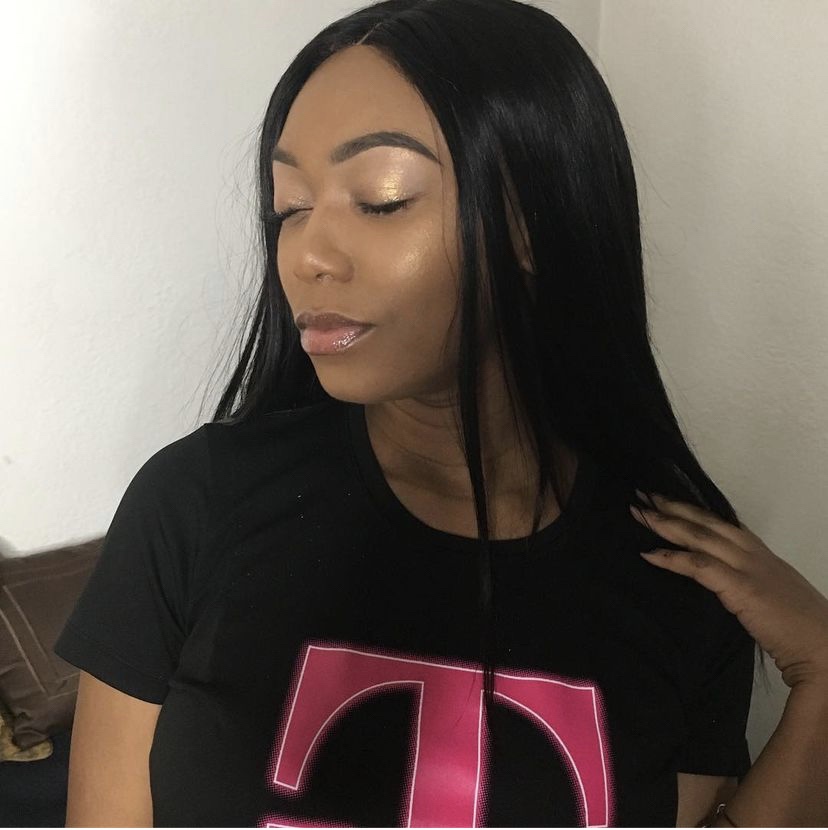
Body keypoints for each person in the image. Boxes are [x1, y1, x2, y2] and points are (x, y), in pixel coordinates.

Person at [54, 0, 765, 826]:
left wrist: (818, 671)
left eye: (380, 198)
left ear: (534, 221)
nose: (308, 255)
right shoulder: (195, 502)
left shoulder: (681, 566)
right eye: (289, 207)